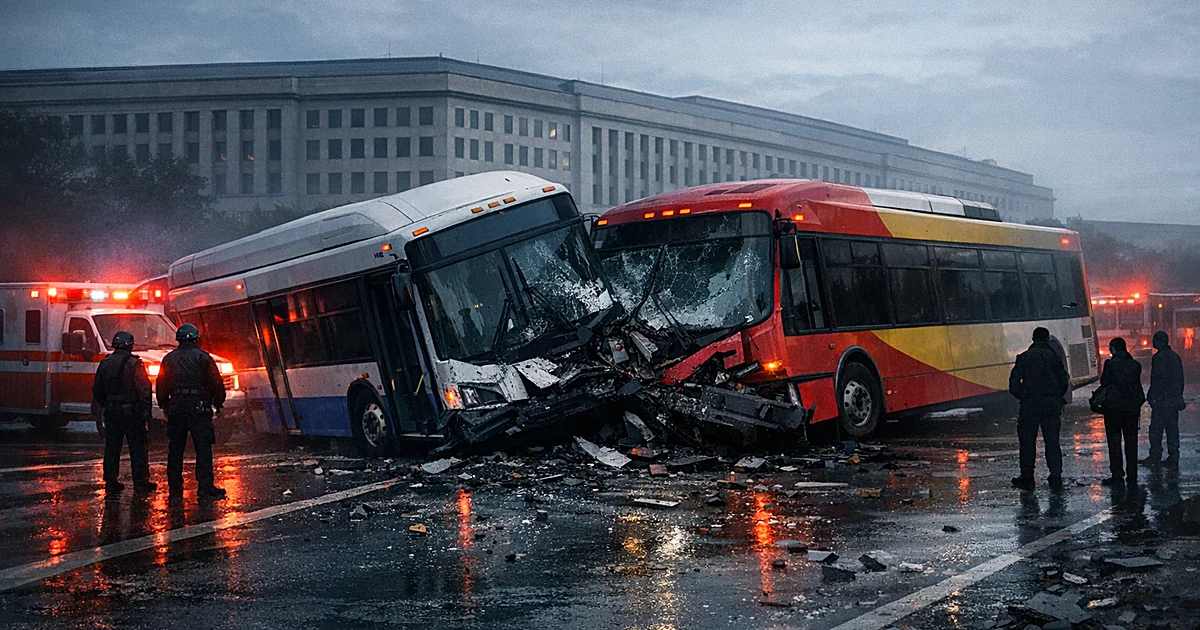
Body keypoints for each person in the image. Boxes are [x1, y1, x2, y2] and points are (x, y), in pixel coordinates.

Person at [157, 323, 227, 500]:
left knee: (175, 447)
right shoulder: (203, 357)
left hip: (176, 406)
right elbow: (216, 383)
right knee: (203, 447)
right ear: (196, 339)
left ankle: (175, 486)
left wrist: (164, 405)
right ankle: (205, 487)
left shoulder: (168, 359)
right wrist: (218, 404)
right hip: (198, 406)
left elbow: (161, 384)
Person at [92, 330, 156, 494]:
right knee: (138, 447)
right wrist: (146, 412)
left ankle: (111, 481)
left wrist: (107, 404)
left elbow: (97, 389)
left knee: (112, 447)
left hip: (112, 412)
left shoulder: (105, 363)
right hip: (132, 413)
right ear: (130, 345)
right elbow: (144, 388)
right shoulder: (134, 364)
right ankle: (141, 483)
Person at [1009, 327, 1071, 490]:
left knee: (1027, 441)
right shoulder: (1055, 358)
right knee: (1052, 441)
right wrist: (1055, 396)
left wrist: (1024, 396)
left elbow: (1014, 384)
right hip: (1051, 405)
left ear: (1033, 339)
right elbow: (1064, 381)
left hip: (1030, 405)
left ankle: (1027, 476)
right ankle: (1056, 475)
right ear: (1047, 339)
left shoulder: (1024, 358)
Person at [1098, 337, 1145, 487]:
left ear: (1113, 349)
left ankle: (1117, 474)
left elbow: (1104, 382)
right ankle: (1132, 474)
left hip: (1113, 409)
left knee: (1114, 442)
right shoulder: (1135, 365)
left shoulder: (1110, 365)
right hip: (1131, 409)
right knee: (1131, 442)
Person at [1142, 330, 1184, 468]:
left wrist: (1152, 396)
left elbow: (1157, 380)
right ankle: (1173, 456)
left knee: (1156, 429)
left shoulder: (1158, 358)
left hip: (1161, 400)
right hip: (1172, 400)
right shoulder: (1175, 357)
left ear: (1159, 342)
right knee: (1172, 429)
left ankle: (1155, 455)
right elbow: (1179, 379)